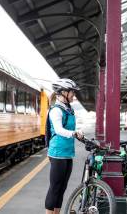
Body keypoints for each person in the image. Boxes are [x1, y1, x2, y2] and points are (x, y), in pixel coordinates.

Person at [45, 78, 84, 214]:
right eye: (72, 92)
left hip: (68, 153)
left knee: (62, 187)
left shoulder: (69, 109)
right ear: (63, 93)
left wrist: (79, 134)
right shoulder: (56, 110)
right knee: (55, 187)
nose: (74, 95)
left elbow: (69, 129)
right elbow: (59, 130)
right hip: (57, 153)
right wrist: (74, 133)